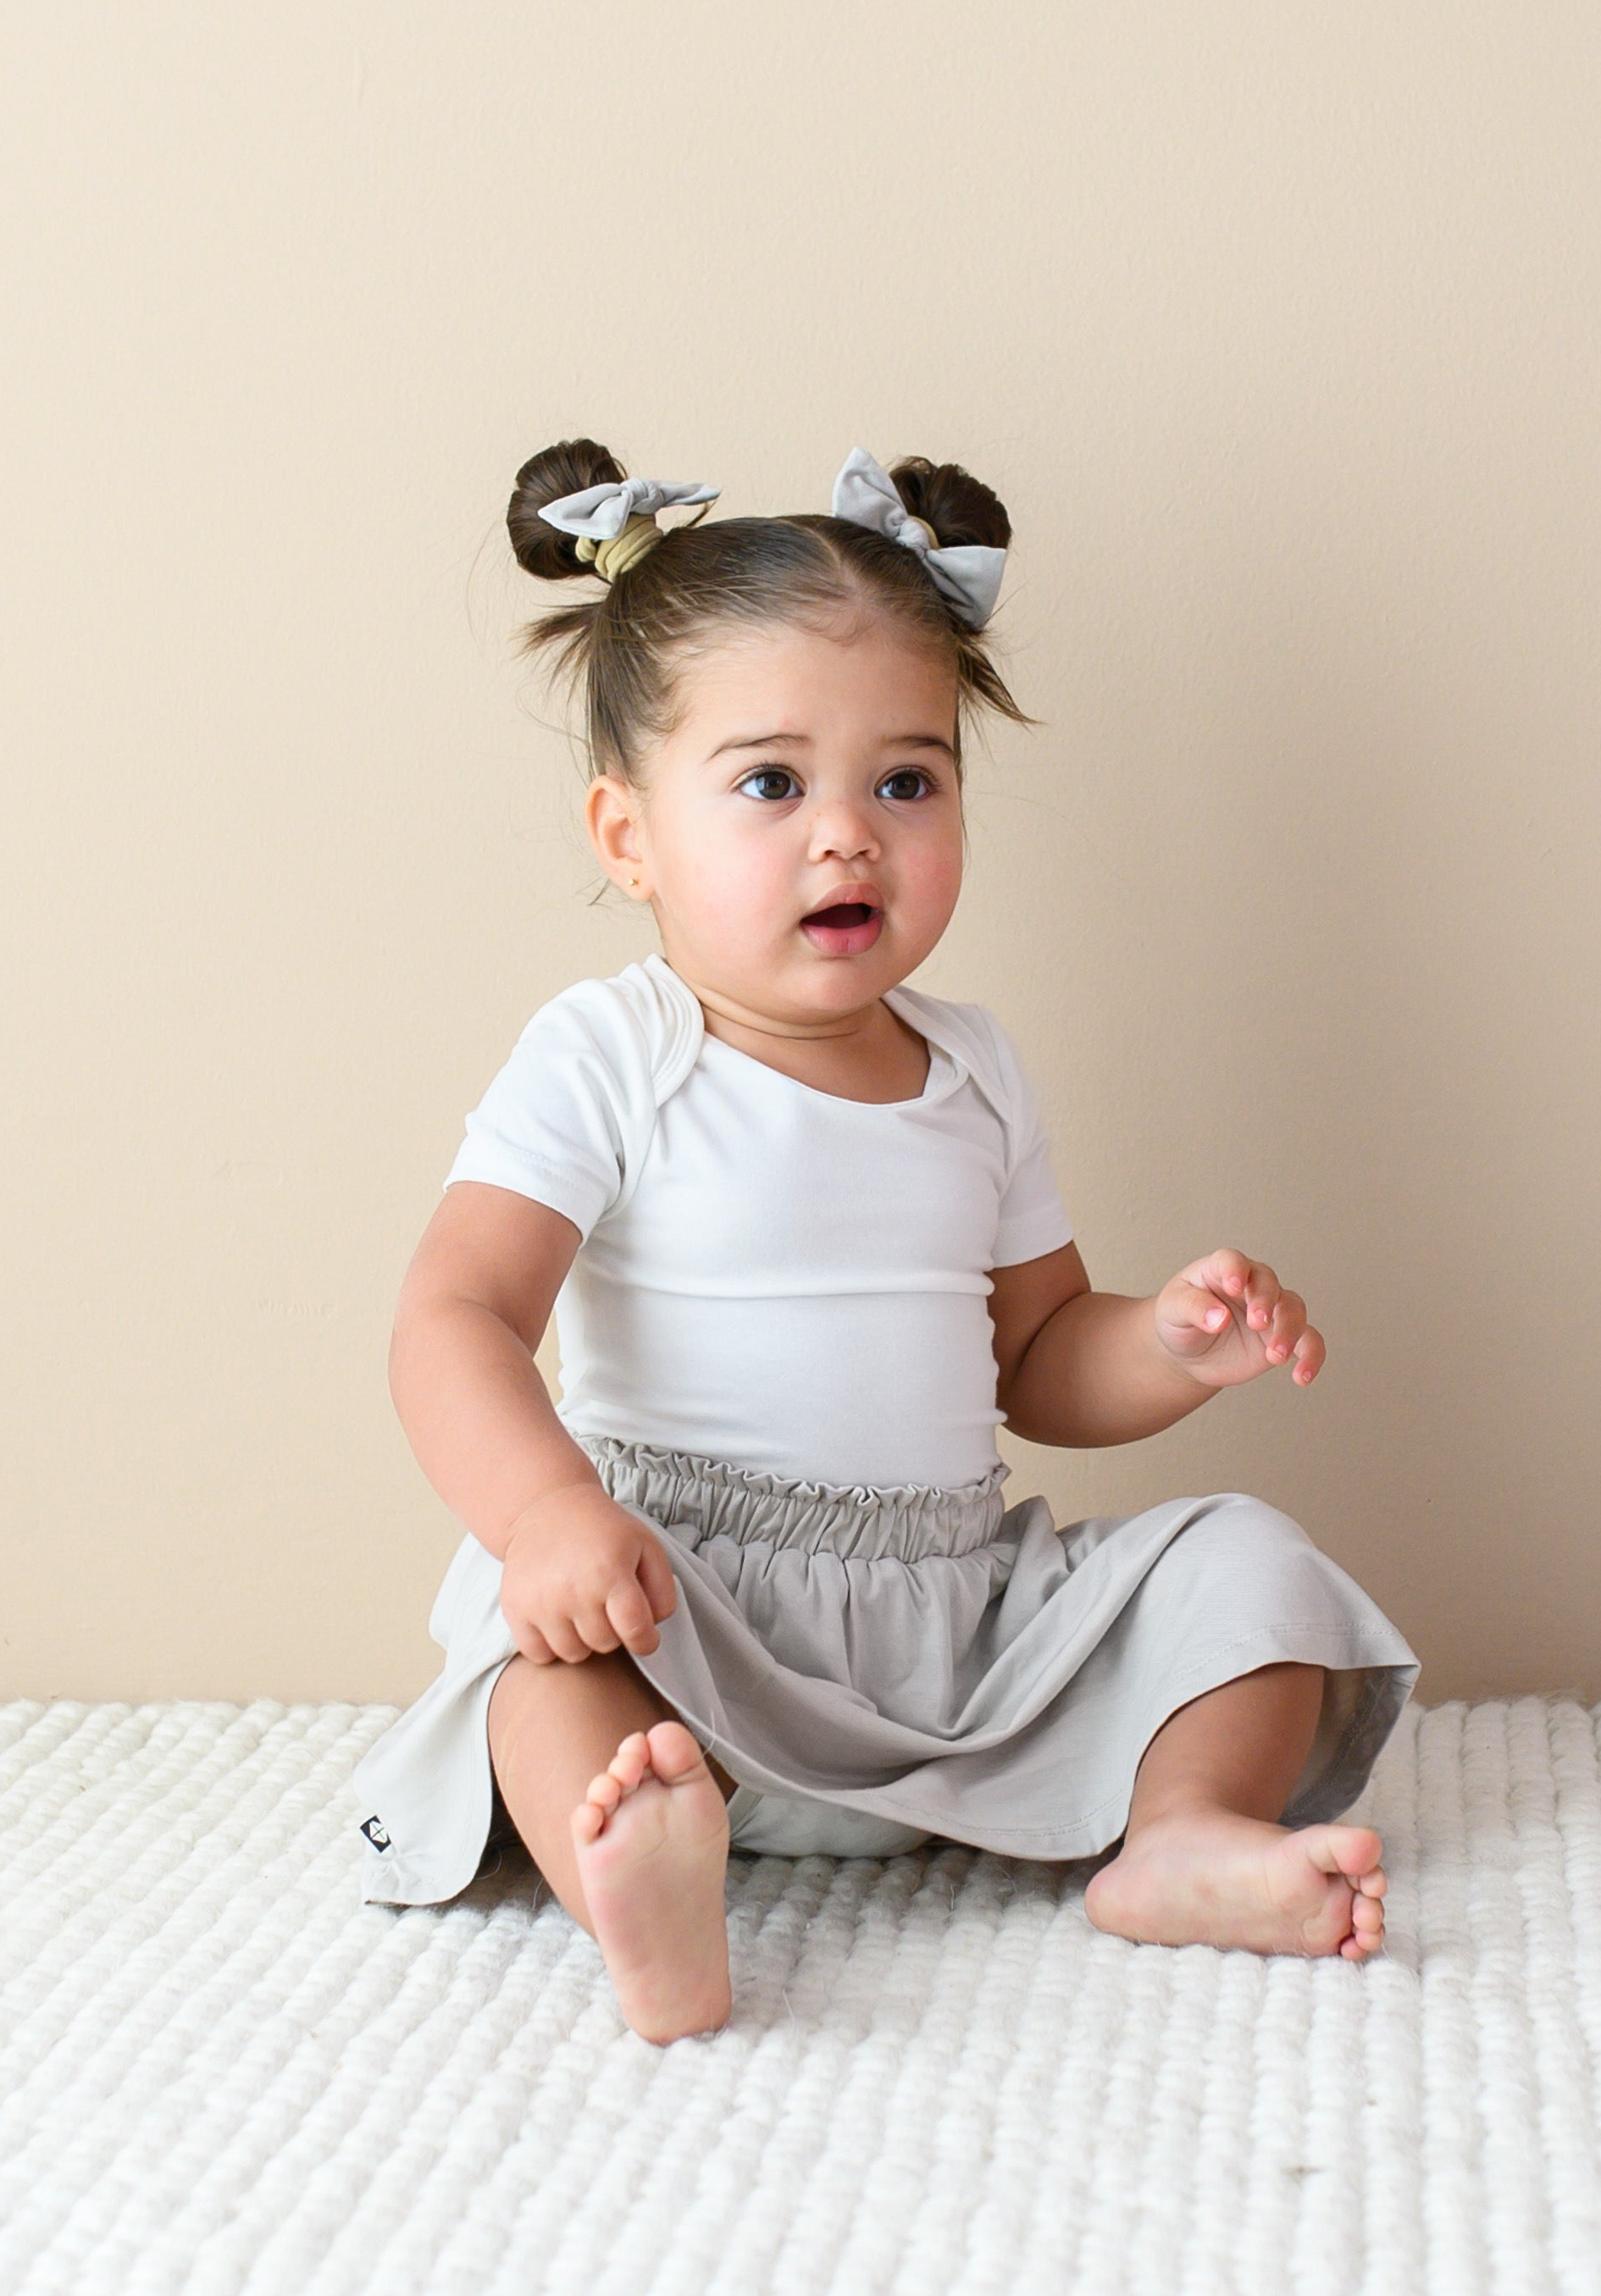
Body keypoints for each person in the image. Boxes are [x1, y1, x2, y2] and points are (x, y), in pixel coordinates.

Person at [354, 439, 1419, 2042]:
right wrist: (549, 1515)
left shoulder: (976, 1067)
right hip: (685, 1616)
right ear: (629, 835)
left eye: (905, 781)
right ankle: (649, 1893)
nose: (848, 835)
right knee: (540, 1676)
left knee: (1252, 1567)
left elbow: (1043, 1363)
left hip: (954, 1626)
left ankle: (1185, 1831)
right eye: (772, 783)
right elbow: (452, 1319)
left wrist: (1167, 1345)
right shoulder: (615, 1051)